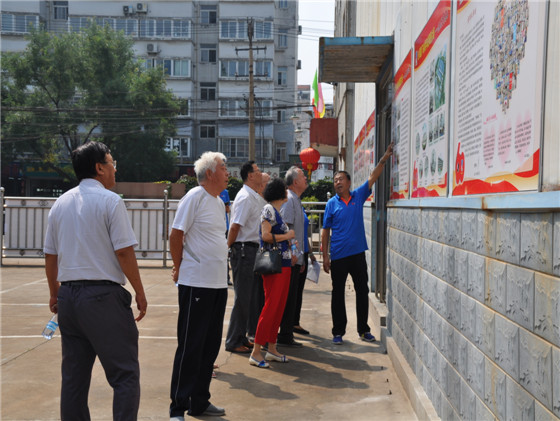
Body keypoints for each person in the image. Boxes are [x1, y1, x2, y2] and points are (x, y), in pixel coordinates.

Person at [43, 141, 147, 421]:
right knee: (125, 374)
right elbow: (124, 252)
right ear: (100, 168)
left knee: (74, 378)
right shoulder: (110, 201)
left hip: (69, 298)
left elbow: (50, 256)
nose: (115, 169)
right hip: (102, 298)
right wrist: (139, 291)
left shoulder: (60, 203)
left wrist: (54, 293)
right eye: (112, 164)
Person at [169, 152, 229, 419]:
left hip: (217, 283)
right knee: (191, 346)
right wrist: (178, 266)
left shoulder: (217, 202)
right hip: (196, 283)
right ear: (211, 173)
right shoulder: (194, 197)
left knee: (210, 345)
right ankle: (177, 407)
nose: (228, 173)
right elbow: (176, 234)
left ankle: (200, 402)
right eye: (224, 168)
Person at [321, 143, 393, 345]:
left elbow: (373, 177)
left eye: (340, 179)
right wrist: (325, 256)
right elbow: (325, 230)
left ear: (349, 182)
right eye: (335, 180)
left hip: (358, 254)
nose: (337, 182)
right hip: (338, 256)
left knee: (362, 291)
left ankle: (363, 330)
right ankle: (338, 332)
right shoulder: (331, 204)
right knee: (338, 294)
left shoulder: (358, 196)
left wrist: (384, 159)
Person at [249, 178, 296, 368]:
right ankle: (256, 352)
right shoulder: (268, 209)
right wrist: (287, 236)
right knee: (271, 307)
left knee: (278, 307)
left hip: (283, 264)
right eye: (284, 188)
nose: (287, 191)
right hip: (275, 266)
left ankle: (272, 348)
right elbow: (266, 236)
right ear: (279, 192)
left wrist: (289, 244)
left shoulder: (277, 212)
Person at [225, 161, 262, 354]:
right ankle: (233, 341)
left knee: (248, 298)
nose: (261, 173)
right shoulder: (245, 197)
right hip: (243, 250)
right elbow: (235, 227)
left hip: (251, 250)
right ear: (250, 175)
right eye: (257, 171)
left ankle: (241, 337)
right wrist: (227, 248)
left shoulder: (252, 195)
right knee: (242, 298)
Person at [277, 166, 308, 347]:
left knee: (293, 298)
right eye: (303, 176)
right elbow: (286, 228)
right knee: (288, 299)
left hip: (297, 258)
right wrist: (293, 253)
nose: (306, 178)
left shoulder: (296, 199)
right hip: (291, 258)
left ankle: (287, 333)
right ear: (295, 181)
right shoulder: (289, 199)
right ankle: (285, 335)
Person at [246, 171, 270, 341]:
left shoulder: (265, 203)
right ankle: (253, 330)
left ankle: (259, 329)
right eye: (268, 183)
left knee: (261, 294)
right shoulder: (256, 202)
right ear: (261, 185)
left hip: (262, 252)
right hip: (255, 251)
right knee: (255, 293)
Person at [293, 207, 317, 335]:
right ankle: (291, 324)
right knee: (294, 291)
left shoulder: (299, 206)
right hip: (296, 253)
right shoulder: (290, 204)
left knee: (298, 291)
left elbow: (303, 234)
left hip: (304, 251)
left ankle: (295, 322)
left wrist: (311, 253)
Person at [219, 188, 232, 286]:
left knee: (224, 253)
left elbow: (228, 210)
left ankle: (226, 278)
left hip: (225, 227)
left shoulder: (225, 192)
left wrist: (224, 207)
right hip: (214, 228)